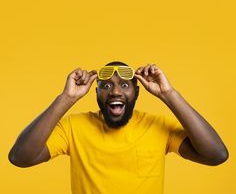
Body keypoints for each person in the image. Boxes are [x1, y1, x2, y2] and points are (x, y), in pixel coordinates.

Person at [9, 61, 228, 194]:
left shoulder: (158, 126)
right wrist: (66, 98)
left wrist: (168, 95)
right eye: (105, 86)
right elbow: (20, 157)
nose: (115, 92)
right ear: (95, 93)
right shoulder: (73, 128)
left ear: (137, 92)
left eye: (124, 85)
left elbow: (216, 155)